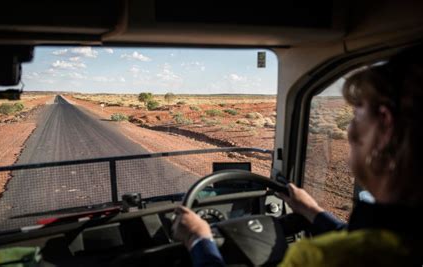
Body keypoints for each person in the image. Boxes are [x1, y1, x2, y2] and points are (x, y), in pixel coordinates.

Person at [172, 46, 423, 266]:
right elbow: (359, 239)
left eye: (357, 115)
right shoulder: (396, 244)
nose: (350, 130)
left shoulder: (321, 258)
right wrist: (313, 211)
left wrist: (199, 240)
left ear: (385, 127)